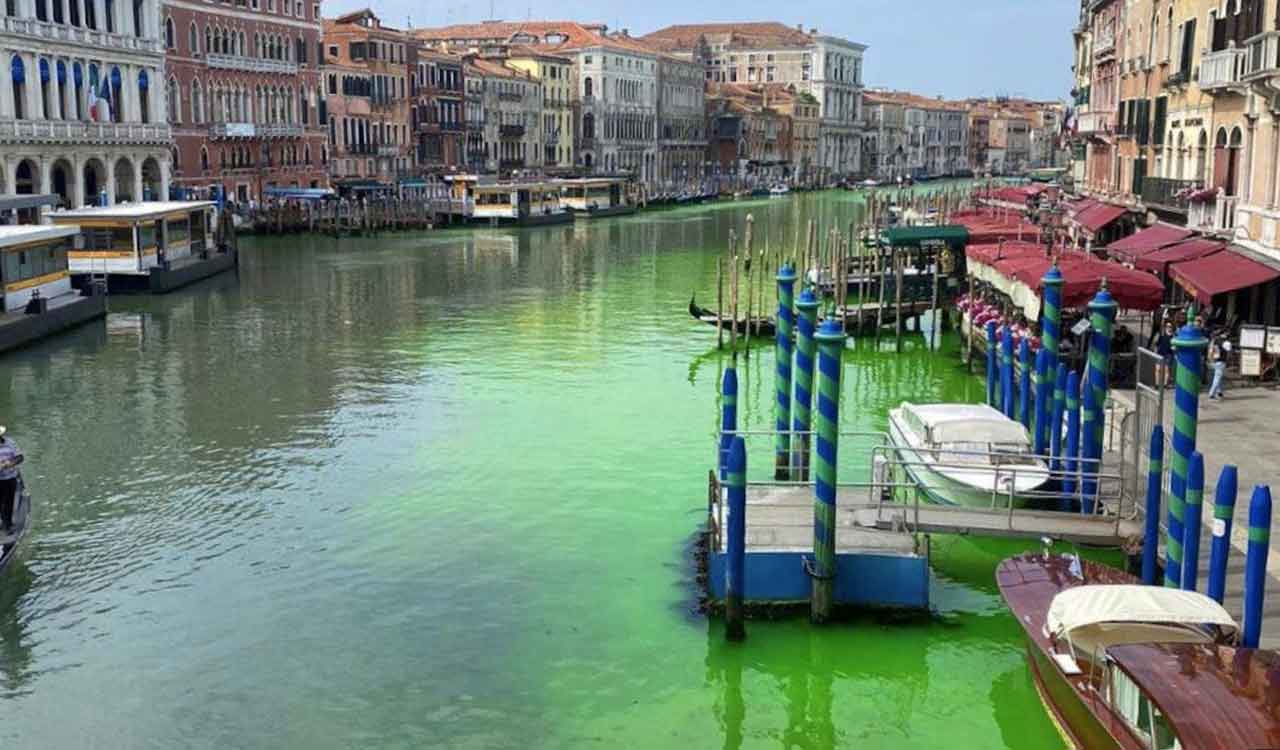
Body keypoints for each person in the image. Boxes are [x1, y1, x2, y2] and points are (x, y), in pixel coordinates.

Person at [0, 426, 22, 533]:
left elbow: (20, 457)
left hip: (10, 477)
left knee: (9, 502)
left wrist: (10, 463)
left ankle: (7, 525)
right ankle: (4, 522)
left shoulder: (10, 442)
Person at [1208, 335, 1231, 400]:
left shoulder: (1214, 343)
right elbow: (1228, 353)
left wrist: (1210, 360)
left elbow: (1210, 353)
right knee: (1217, 378)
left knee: (1218, 377)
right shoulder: (1226, 343)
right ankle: (1211, 394)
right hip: (1221, 362)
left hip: (1215, 362)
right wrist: (1228, 361)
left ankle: (1219, 392)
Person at [1156, 322, 1174, 386]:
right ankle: (1157, 384)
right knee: (1158, 369)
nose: (1169, 328)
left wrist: (1174, 349)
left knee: (1167, 370)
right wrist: (1156, 351)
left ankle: (1165, 384)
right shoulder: (1162, 335)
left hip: (1169, 354)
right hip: (1160, 353)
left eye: (1170, 326)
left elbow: (1175, 347)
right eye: (1167, 326)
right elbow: (1157, 343)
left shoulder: (1173, 336)